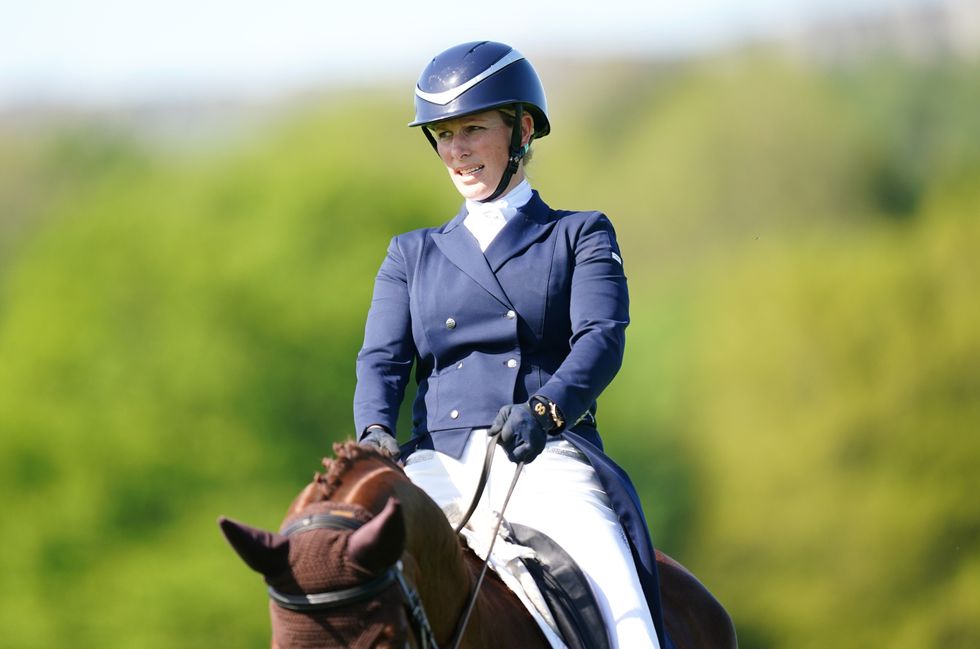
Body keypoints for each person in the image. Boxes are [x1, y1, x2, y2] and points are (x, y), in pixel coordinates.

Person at [354, 40, 665, 649]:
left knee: (627, 617)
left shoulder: (578, 234)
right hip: (435, 465)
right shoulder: (410, 254)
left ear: (521, 130)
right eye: (443, 134)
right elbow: (383, 360)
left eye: (473, 129)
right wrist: (373, 434)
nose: (456, 150)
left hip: (542, 454)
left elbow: (600, 340)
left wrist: (546, 412)